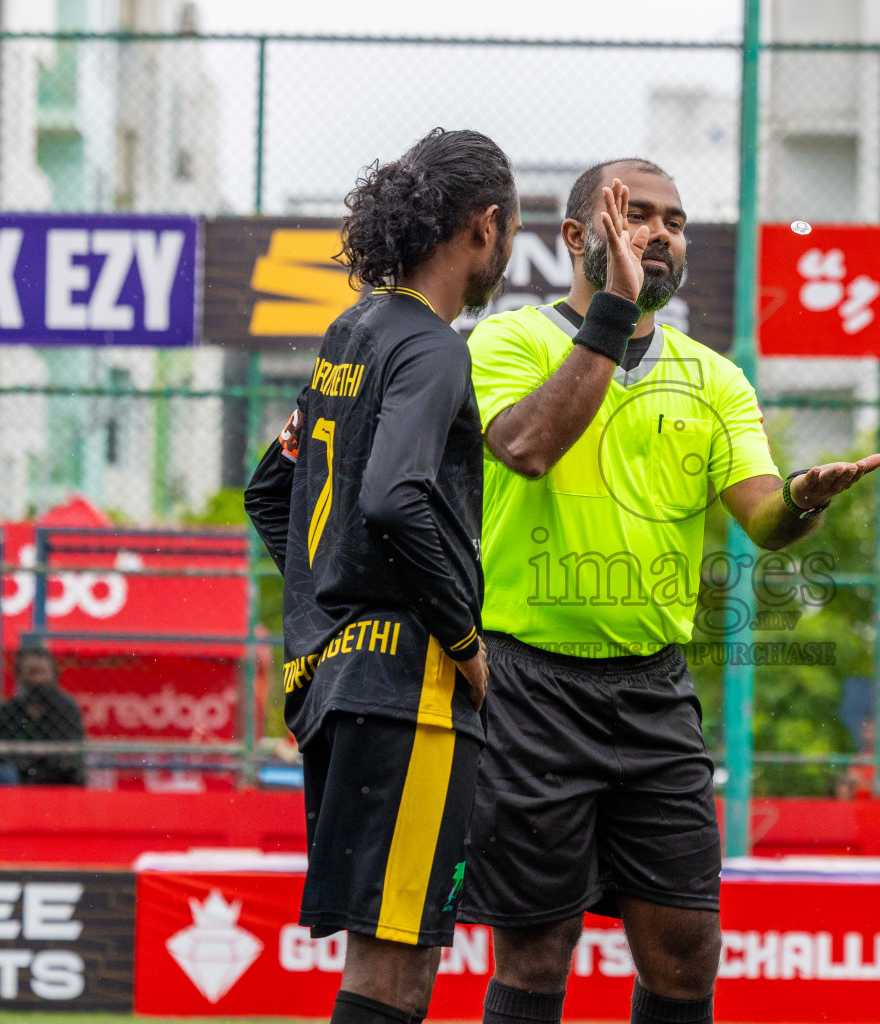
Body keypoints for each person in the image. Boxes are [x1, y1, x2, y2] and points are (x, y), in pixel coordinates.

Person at [460, 157, 880, 1024]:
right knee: (538, 952)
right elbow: (528, 446)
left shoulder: (716, 377)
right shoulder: (505, 342)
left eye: (676, 220)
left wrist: (804, 498)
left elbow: (764, 521)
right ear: (579, 237)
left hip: (653, 689)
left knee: (686, 953)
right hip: (525, 681)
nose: (660, 233)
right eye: (635, 215)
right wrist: (613, 313)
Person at [244, 128, 517, 1024]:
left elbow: (269, 493)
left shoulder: (352, 331)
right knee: (393, 965)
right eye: (510, 231)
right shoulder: (436, 348)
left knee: (401, 954)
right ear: (484, 226)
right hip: (408, 688)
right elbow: (396, 498)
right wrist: (465, 641)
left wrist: (326, 621)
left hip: (341, 680)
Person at [0, 647, 85, 785]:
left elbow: (66, 758)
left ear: (53, 675)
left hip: (57, 779)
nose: (38, 680)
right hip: (18, 777)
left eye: (42, 672)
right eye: (32, 672)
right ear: (20, 676)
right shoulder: (12, 710)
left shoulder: (65, 708)